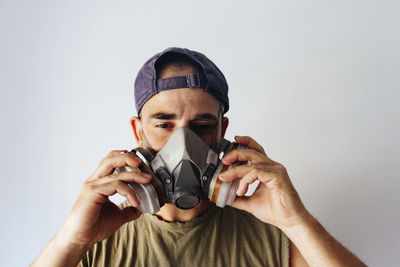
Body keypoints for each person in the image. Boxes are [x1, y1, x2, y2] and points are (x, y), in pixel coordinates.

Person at [32, 47, 366, 267]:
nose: (183, 142)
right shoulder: (98, 239)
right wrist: (72, 239)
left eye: (202, 125)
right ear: (138, 131)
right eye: (164, 124)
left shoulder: (270, 237)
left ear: (222, 130)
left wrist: (296, 221)